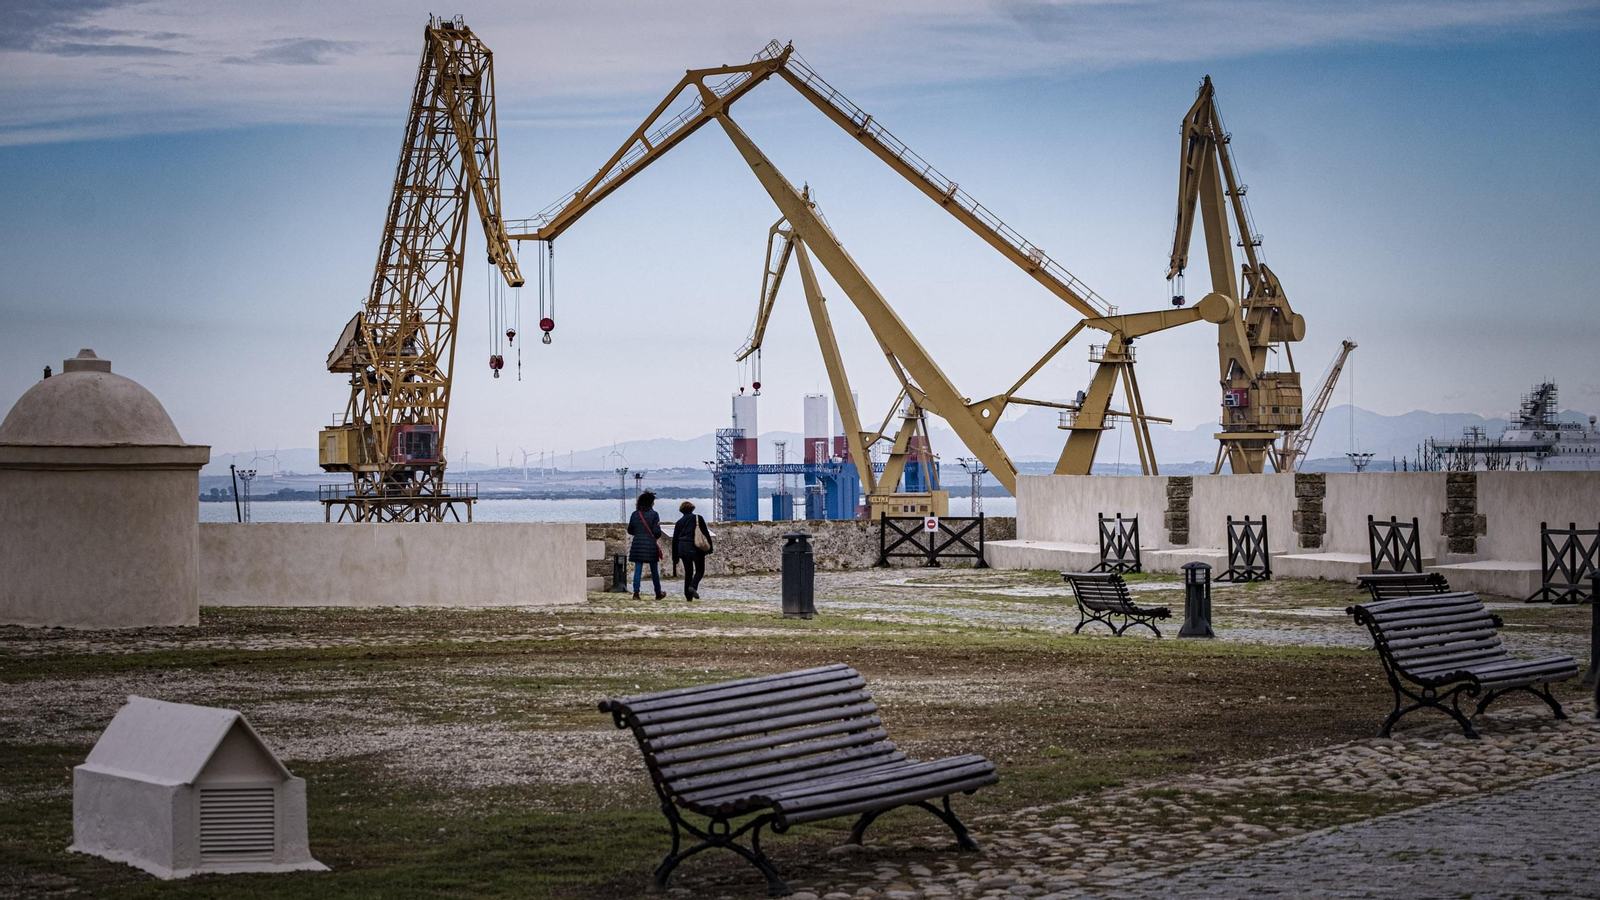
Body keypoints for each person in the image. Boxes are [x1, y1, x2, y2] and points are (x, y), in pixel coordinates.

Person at [671, 500, 714, 601]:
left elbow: (675, 540)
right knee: (700, 570)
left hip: (683, 549)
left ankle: (688, 596)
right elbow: (705, 533)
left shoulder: (679, 523)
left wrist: (675, 556)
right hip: (696, 548)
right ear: (692, 508)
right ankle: (693, 586)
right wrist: (710, 547)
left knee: (688, 573)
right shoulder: (698, 518)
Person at [627, 491, 666, 600]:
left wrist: (639, 534)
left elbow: (630, 530)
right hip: (650, 544)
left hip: (637, 543)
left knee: (638, 569)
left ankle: (636, 592)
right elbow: (657, 532)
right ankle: (658, 592)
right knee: (654, 570)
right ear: (650, 503)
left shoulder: (635, 514)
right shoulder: (654, 514)